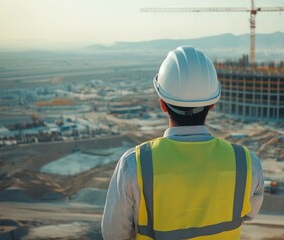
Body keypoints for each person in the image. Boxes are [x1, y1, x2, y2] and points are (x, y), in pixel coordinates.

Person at [102, 46, 264, 240]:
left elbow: (114, 235)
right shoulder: (246, 162)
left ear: (162, 104)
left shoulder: (134, 164)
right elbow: (250, 214)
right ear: (212, 105)